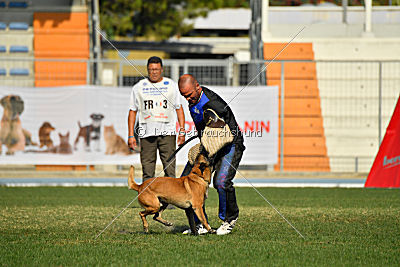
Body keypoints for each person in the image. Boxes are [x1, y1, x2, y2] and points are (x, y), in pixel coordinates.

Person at [178, 74, 245, 235]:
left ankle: (229, 219)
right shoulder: (192, 101)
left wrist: (209, 145)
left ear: (197, 87)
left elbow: (228, 130)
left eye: (189, 95)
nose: (187, 99)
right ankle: (199, 224)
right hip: (210, 145)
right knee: (186, 180)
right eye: (184, 96)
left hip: (230, 144)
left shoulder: (213, 104)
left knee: (221, 181)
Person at [128, 56, 185, 181]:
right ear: (147, 70)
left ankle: (169, 200)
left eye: (157, 69)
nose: (154, 72)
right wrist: (131, 135)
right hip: (146, 133)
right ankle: (148, 200)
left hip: (167, 132)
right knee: (148, 172)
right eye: (151, 69)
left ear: (162, 70)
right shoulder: (139, 87)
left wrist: (182, 131)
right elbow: (132, 111)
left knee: (170, 171)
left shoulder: (171, 85)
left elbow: (179, 108)